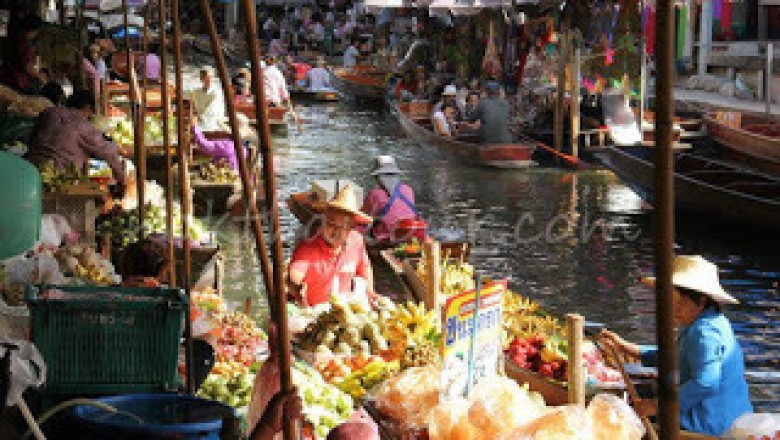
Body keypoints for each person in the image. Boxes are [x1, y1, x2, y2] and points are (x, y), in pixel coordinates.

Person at [600, 255, 753, 437]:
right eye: (671, 301)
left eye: (680, 302)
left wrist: (656, 406)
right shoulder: (709, 322)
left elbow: (705, 383)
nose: (673, 308)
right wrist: (626, 347)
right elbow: (675, 356)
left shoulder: (704, 332)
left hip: (710, 426)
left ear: (701, 300)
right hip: (728, 418)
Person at [119, 239, 216, 392]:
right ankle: (183, 394)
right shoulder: (174, 299)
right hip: (161, 373)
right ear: (163, 270)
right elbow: (206, 336)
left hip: (116, 368)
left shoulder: (107, 297)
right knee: (207, 342)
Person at [287, 184, 376, 307]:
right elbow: (295, 273)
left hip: (346, 309)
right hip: (314, 311)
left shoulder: (356, 240)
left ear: (351, 228)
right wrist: (297, 286)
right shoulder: (308, 246)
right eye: (331, 223)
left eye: (343, 226)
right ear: (323, 222)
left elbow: (364, 266)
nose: (335, 230)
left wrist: (370, 291)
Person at [26, 90, 126, 190]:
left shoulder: (49, 112)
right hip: (54, 182)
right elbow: (109, 151)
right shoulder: (82, 125)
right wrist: (121, 179)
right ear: (87, 108)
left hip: (27, 170)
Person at [361, 156, 418, 244]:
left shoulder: (375, 194)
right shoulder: (409, 190)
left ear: (378, 177)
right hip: (410, 237)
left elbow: (362, 219)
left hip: (386, 241)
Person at [0, 15, 46, 94]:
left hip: (6, 79)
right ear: (33, 30)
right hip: (17, 83)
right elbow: (27, 67)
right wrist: (40, 76)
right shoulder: (24, 43)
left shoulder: (12, 39)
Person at [189, 66, 226, 130]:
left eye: (211, 77)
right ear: (201, 78)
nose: (210, 79)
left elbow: (214, 111)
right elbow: (192, 109)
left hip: (215, 124)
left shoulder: (217, 92)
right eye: (207, 77)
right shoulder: (196, 92)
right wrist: (193, 118)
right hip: (200, 123)